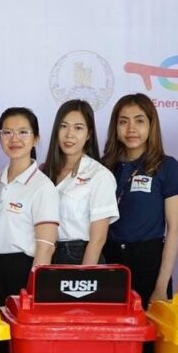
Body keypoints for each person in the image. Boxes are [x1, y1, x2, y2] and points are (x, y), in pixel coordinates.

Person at [102, 93, 178, 353]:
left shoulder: (166, 166)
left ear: (151, 124)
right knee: (113, 351)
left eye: (139, 120)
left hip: (150, 261)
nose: (131, 128)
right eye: (123, 121)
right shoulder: (105, 165)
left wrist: (159, 286)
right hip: (110, 263)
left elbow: (176, 230)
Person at [0, 107, 59, 353]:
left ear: (36, 139)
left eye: (23, 132)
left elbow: (45, 243)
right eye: (7, 132)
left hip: (23, 277)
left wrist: (31, 291)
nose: (14, 139)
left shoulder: (42, 186)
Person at [41, 99, 119, 264]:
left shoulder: (99, 175)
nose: (69, 134)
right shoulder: (43, 172)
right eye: (63, 126)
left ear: (89, 134)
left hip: (79, 255)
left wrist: (84, 276)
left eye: (78, 128)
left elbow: (98, 239)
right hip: (44, 253)